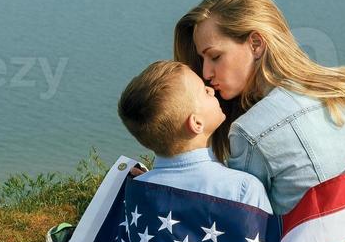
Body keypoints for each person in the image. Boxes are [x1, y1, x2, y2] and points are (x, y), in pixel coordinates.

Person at [173, 0, 345, 217]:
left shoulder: (251, 132)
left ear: (256, 44)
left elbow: (240, 225)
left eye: (215, 57)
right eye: (203, 59)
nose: (206, 73)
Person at [116, 60, 273, 213]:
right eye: (204, 91)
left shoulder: (135, 192)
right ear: (196, 123)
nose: (211, 90)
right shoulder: (243, 189)